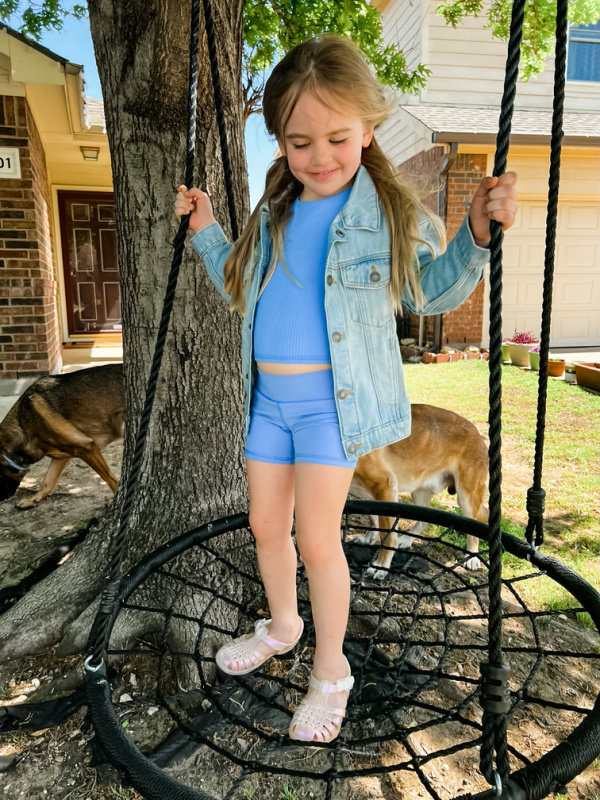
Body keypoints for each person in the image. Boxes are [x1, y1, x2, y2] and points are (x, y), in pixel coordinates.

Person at [174, 33, 517, 744]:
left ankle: (331, 670)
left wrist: (478, 231)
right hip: (269, 405)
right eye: (300, 143)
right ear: (280, 144)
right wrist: (207, 229)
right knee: (267, 527)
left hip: (334, 408)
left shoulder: (386, 214)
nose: (320, 157)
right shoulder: (277, 214)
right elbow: (239, 288)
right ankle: (284, 625)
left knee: (316, 537)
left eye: (336, 137)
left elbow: (434, 289)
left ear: (367, 128)